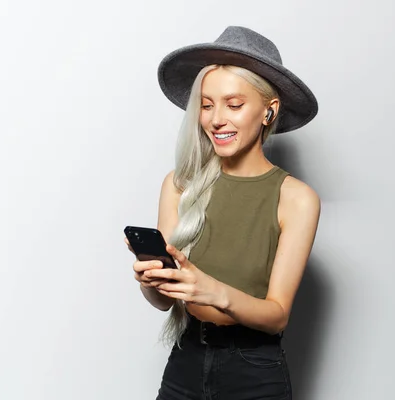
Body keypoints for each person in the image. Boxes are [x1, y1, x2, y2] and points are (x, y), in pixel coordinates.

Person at [125, 26, 321, 400]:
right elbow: (165, 302)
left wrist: (213, 292)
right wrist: (151, 282)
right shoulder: (179, 184)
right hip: (186, 359)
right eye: (207, 104)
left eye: (234, 104)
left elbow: (277, 314)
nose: (216, 119)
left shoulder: (296, 198)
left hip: (254, 369)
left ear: (268, 111)